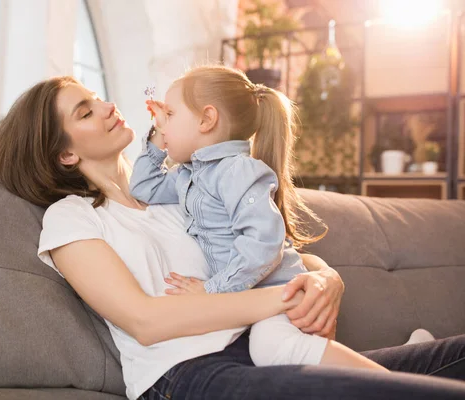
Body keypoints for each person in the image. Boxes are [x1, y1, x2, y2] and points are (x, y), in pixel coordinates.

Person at [0, 75, 465, 399]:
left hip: (271, 344)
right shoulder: (71, 219)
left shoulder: (184, 187)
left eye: (99, 98)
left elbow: (269, 252)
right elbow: (146, 320)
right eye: (85, 112)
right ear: (66, 154)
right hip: (194, 373)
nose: (109, 107)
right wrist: (282, 300)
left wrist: (325, 280)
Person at [128, 65, 383, 371]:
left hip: (280, 292)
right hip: (248, 302)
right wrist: (158, 133)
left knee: (268, 348)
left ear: (207, 119)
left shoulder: (238, 171)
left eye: (169, 115)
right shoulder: (186, 176)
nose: (162, 124)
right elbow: (143, 187)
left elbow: (263, 245)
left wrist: (211, 292)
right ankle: (406, 357)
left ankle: (387, 382)